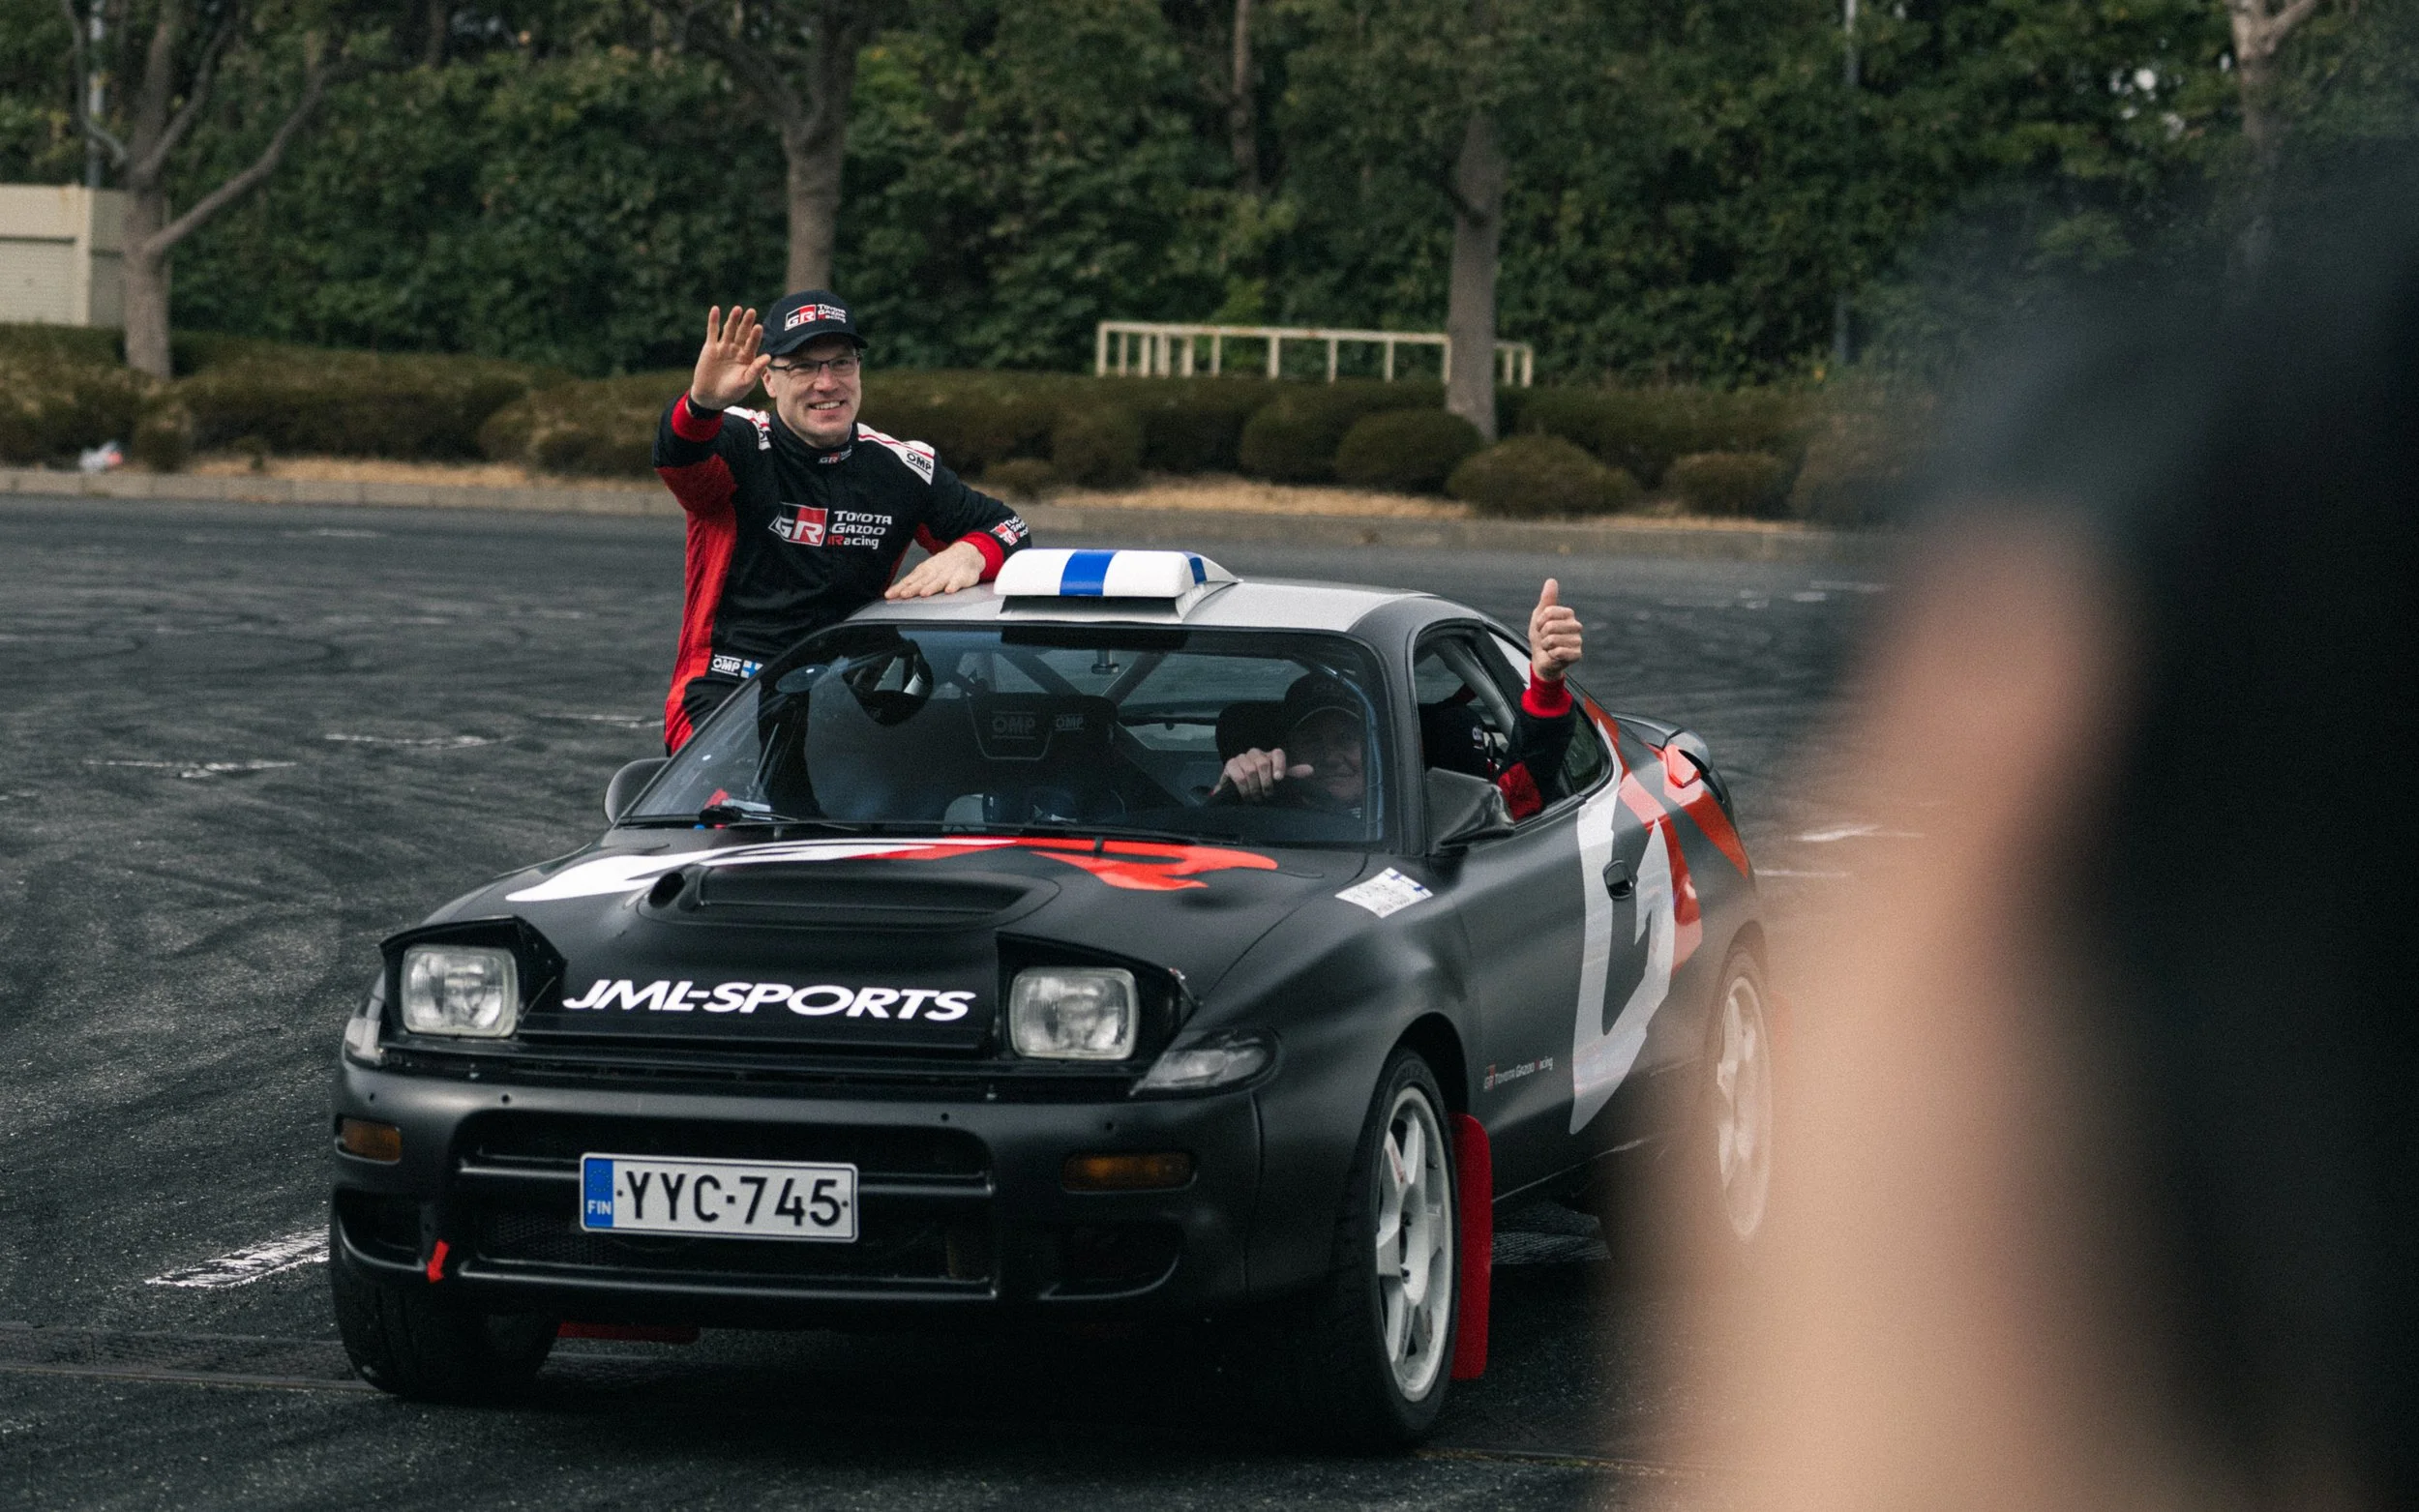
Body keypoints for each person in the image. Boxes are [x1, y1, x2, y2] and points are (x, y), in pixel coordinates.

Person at [651, 291, 1032, 751]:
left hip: (844, 691)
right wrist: (700, 406)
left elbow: (1009, 529)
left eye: (841, 363)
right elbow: (679, 461)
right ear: (769, 380)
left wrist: (972, 552)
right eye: (804, 367)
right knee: (733, 797)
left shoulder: (901, 467)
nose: (827, 383)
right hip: (728, 687)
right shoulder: (739, 441)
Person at [1212, 579, 1586, 817]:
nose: (1331, 756)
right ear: (1288, 751)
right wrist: (1231, 791)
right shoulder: (1259, 810)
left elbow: (1521, 793)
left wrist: (1547, 681)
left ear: (1377, 744)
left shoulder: (1433, 814)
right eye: (1312, 741)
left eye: (1346, 738)